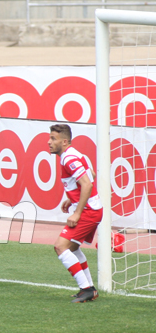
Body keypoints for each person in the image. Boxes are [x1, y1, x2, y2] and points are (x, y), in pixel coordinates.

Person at [48, 124, 101, 303]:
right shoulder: (75, 154)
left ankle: (86, 289)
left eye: (53, 139)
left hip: (88, 212)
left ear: (64, 141)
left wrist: (77, 212)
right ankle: (90, 289)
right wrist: (73, 198)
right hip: (91, 209)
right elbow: (91, 174)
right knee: (73, 248)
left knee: (60, 247)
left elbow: (87, 183)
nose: (49, 142)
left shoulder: (69, 159)